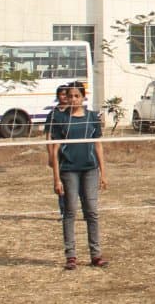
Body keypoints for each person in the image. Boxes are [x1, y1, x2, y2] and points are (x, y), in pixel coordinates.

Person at [46, 83, 108, 271]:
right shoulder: (60, 118)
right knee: (70, 211)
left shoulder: (91, 118)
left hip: (89, 169)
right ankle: (70, 255)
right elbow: (55, 148)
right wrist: (56, 178)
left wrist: (103, 173)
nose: (73, 99)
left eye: (76, 96)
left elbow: (98, 145)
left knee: (91, 211)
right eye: (70, 96)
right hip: (69, 170)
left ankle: (96, 254)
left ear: (83, 97)